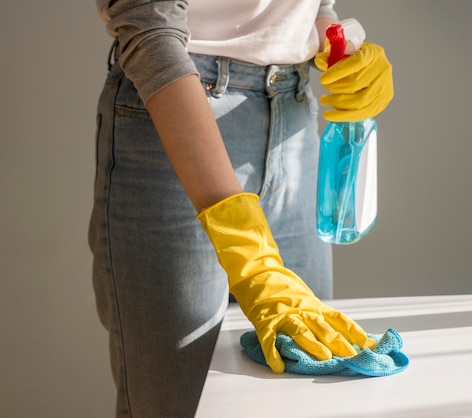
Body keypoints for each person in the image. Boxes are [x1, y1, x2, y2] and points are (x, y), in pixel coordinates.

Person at [89, 0, 393, 416]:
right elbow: (149, 27)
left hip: (295, 114)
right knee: (174, 407)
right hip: (177, 109)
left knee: (305, 386)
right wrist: (246, 246)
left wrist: (335, 41)